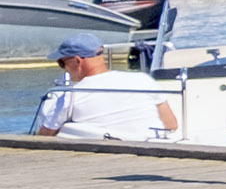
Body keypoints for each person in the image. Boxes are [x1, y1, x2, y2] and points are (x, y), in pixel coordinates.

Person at [32, 35, 176, 139]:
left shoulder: (71, 96)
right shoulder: (143, 80)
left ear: (77, 61)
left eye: (62, 63)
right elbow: (171, 124)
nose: (63, 69)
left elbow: (45, 137)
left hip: (107, 157)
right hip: (152, 146)